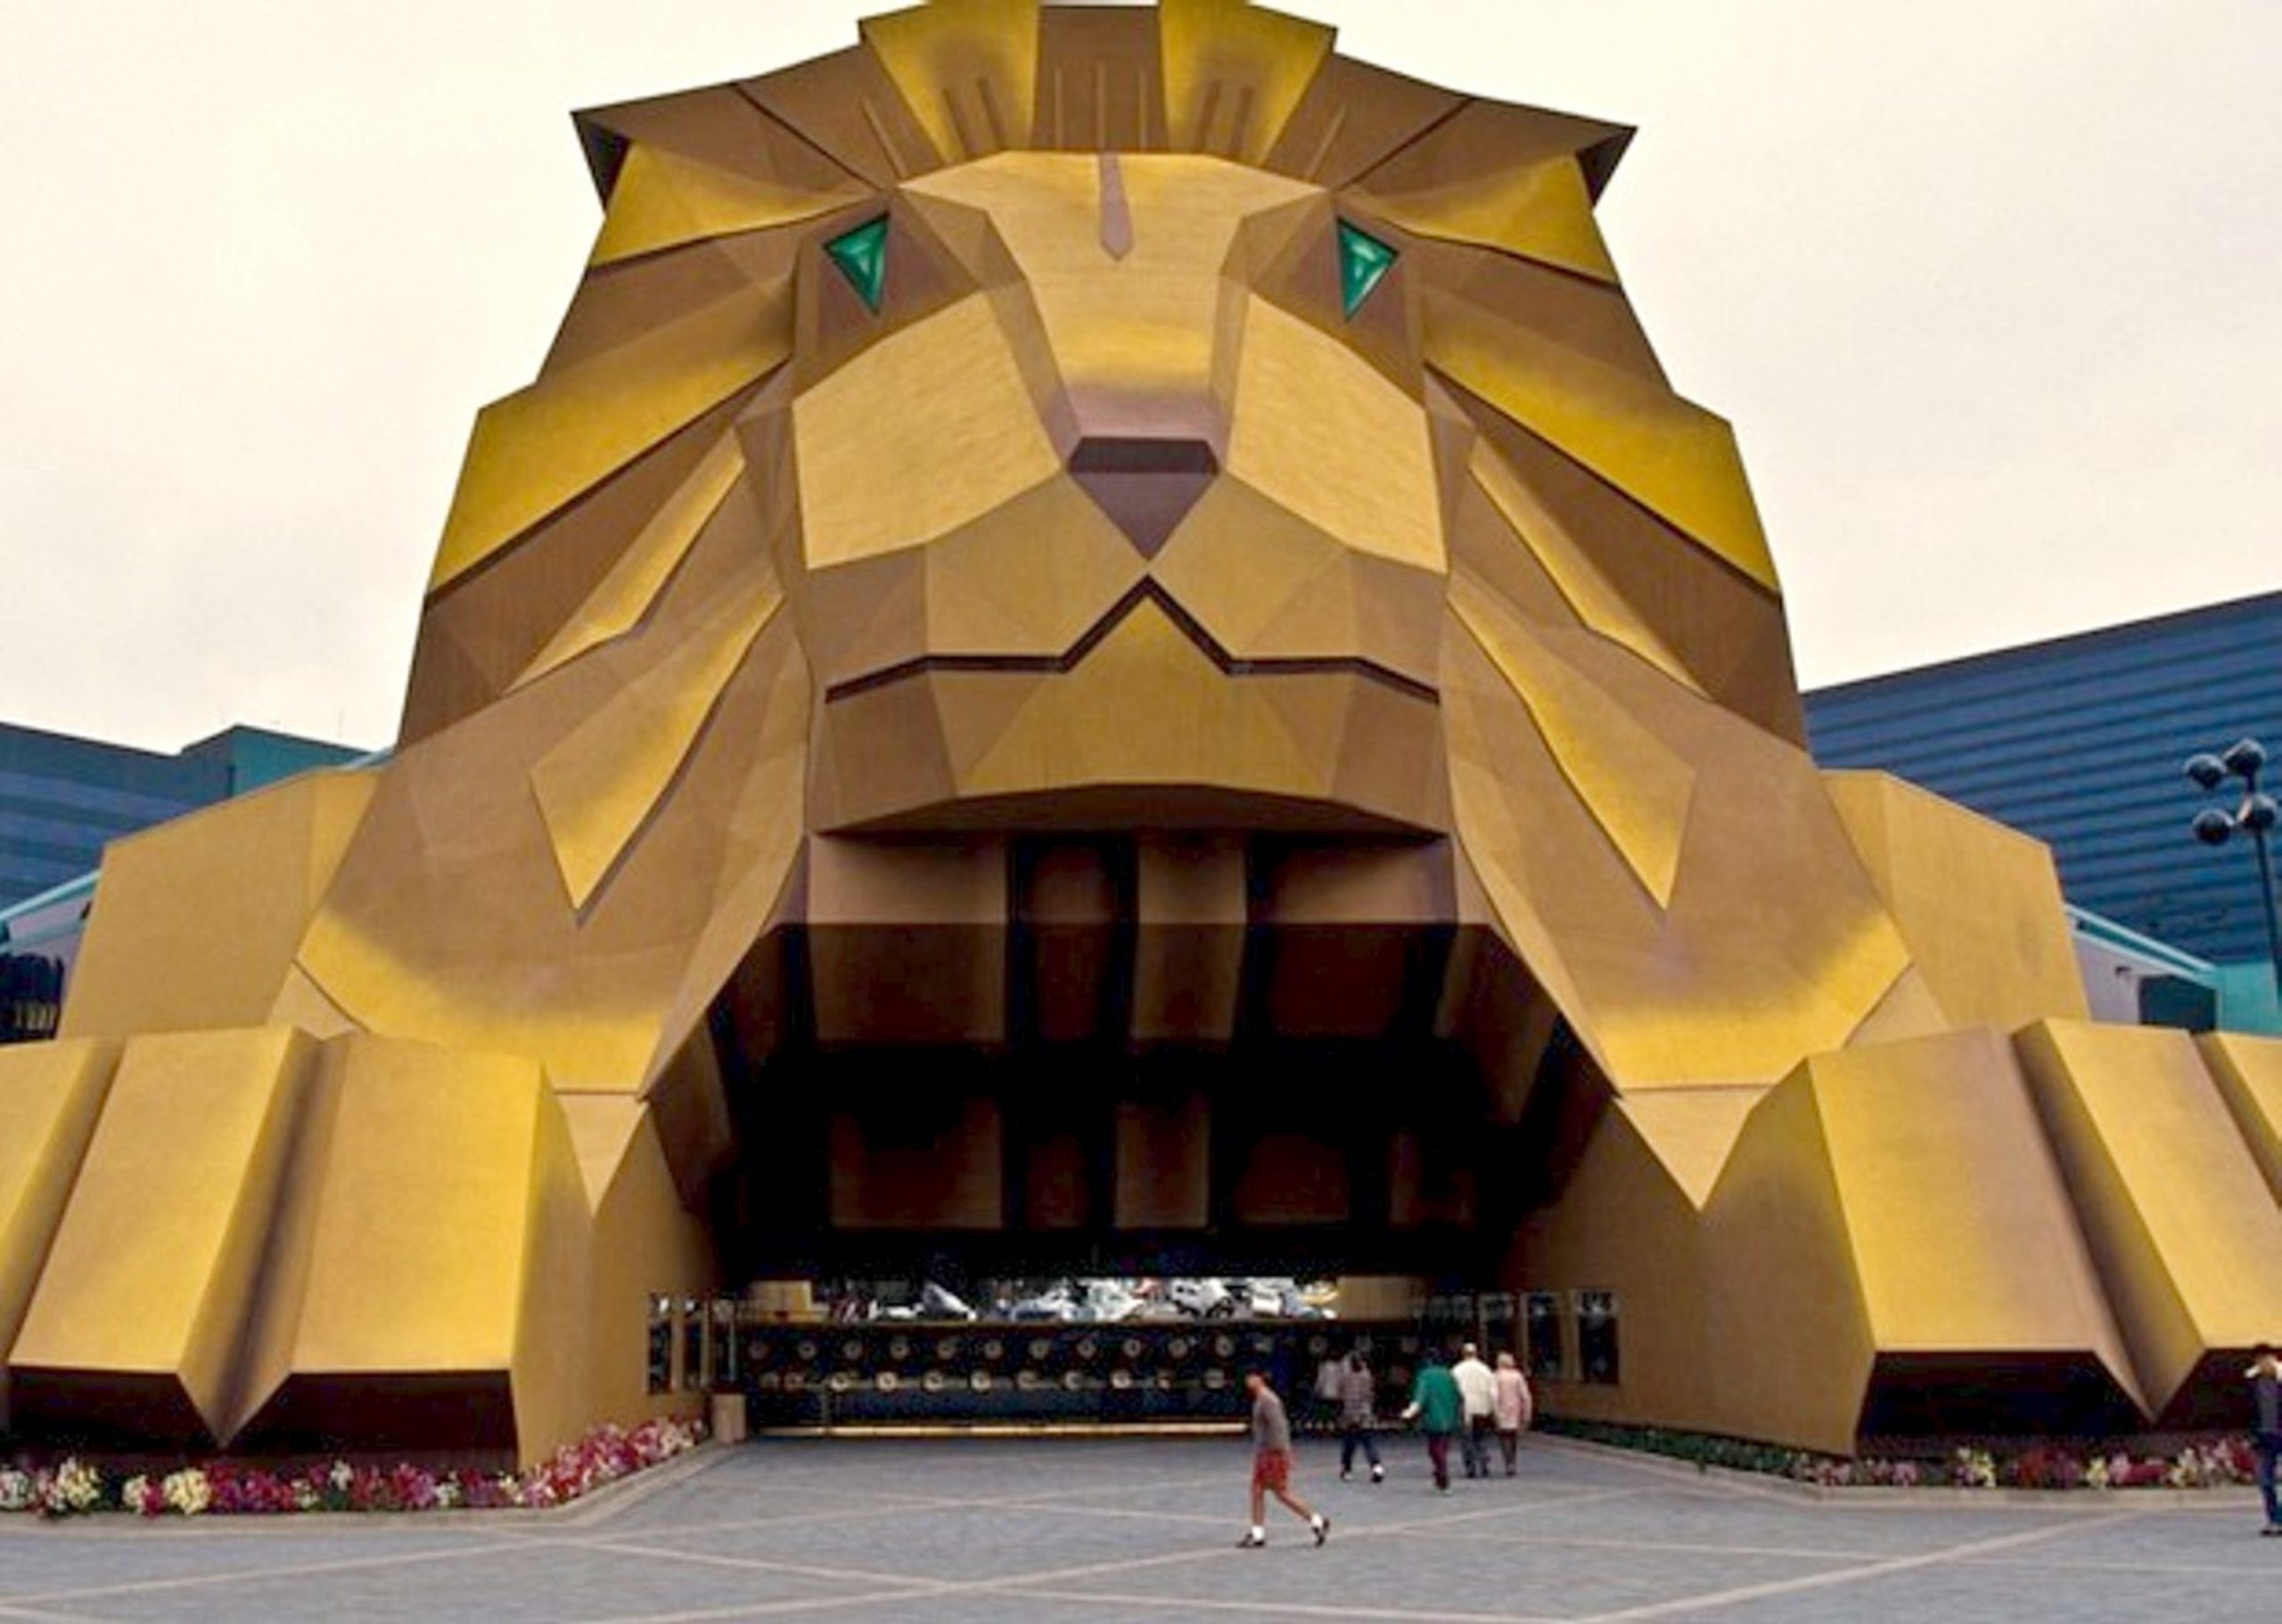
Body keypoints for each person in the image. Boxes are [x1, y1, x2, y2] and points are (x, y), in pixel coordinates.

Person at [1239, 1371, 1329, 1548]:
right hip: (1266, 1453)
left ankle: (1316, 1520)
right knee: (1258, 1490)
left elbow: (1280, 1428)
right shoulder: (1262, 1399)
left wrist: (1284, 1452)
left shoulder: (1268, 1400)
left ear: (1259, 1379)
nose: (1248, 1381)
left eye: (1251, 1377)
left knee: (1281, 1492)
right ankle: (1258, 1532)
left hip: (1272, 1454)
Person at [1401, 1349, 1464, 1493]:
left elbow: (1420, 1397)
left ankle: (1442, 1475)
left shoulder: (1425, 1375)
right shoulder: (1449, 1375)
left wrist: (1409, 1413)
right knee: (1443, 1448)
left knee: (1435, 1449)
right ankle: (1440, 1474)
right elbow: (1459, 1396)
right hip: (1449, 1417)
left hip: (1433, 1418)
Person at [1335, 1349, 1384, 1482]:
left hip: (1350, 1415)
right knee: (1368, 1442)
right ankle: (1377, 1467)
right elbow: (1370, 1395)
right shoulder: (1367, 1376)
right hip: (1365, 1414)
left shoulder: (1345, 1378)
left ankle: (1347, 1471)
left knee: (1349, 1445)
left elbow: (1341, 1394)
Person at [1451, 1341, 1496, 1480]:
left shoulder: (1457, 1369)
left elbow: (1454, 1390)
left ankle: (1470, 1466)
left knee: (1466, 1438)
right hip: (1482, 1407)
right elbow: (1493, 1391)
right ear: (1476, 1353)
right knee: (1480, 1436)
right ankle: (1483, 1462)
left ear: (1463, 1354)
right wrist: (1492, 1408)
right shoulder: (1485, 1369)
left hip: (1465, 1408)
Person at [2252, 1343, 2282, 1536]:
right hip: (2264, 1437)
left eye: (2267, 1359)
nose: (2263, 1364)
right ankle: (2275, 1520)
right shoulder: (2253, 1383)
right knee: (2266, 1481)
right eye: (2259, 1361)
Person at [1492, 1350, 1533, 1477]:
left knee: (1504, 1438)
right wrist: (1527, 1413)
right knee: (1513, 1437)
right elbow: (1525, 1396)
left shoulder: (1496, 1376)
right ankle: (1512, 1461)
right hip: (1516, 1410)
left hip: (1502, 1410)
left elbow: (1494, 1396)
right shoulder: (1517, 1376)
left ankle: (1508, 1462)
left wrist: (1495, 1411)